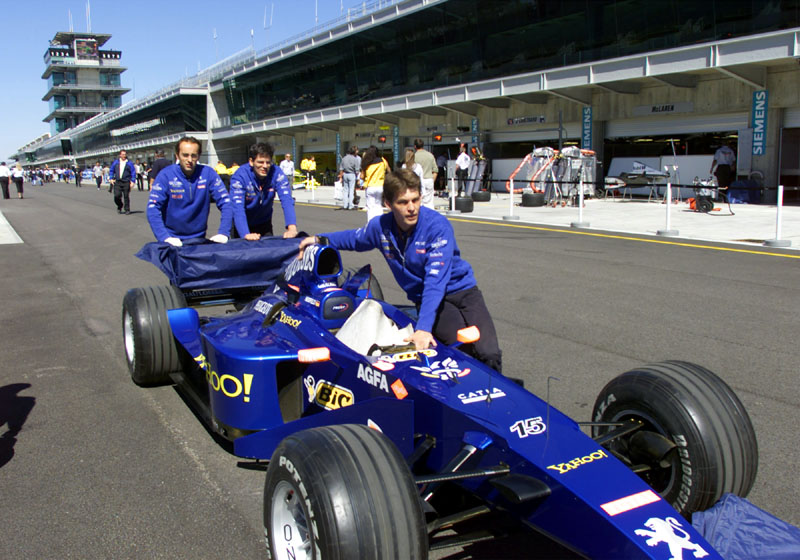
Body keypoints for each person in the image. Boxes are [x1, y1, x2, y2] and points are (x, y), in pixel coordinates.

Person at [298, 168, 502, 371]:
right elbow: (355, 238)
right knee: (461, 351)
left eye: (415, 200)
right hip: (428, 299)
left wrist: (423, 329)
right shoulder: (380, 227)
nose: (411, 208)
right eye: (403, 202)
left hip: (463, 291)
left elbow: (435, 282)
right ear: (388, 204)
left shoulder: (437, 226)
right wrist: (318, 239)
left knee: (489, 352)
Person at [147, 136, 234, 247]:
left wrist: (224, 233)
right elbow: (153, 208)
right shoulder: (165, 175)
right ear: (177, 155)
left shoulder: (208, 173)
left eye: (193, 155)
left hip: (199, 239)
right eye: (185, 155)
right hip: (172, 240)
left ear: (198, 156)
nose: (189, 160)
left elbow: (226, 203)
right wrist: (164, 237)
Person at [229, 142, 298, 239]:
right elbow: (237, 208)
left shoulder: (277, 173)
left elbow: (287, 200)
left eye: (268, 162)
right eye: (260, 162)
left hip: (264, 223)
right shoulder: (240, 176)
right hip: (242, 224)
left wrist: (292, 228)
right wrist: (245, 234)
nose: (265, 166)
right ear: (251, 162)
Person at [360, 145, 389, 222]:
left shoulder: (366, 162)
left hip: (370, 186)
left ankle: (371, 223)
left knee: (370, 207)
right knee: (378, 205)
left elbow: (362, 176)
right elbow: (388, 170)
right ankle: (380, 223)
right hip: (380, 186)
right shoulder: (382, 161)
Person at [109, 150, 135, 214]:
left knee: (126, 196)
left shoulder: (129, 163)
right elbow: (111, 170)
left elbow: (133, 172)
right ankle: (119, 205)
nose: (124, 156)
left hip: (126, 181)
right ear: (120, 155)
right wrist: (111, 178)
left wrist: (133, 181)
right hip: (118, 181)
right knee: (117, 195)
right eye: (122, 154)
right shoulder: (116, 162)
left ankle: (127, 209)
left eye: (125, 154)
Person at [413, 138, 437, 209]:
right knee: (429, 203)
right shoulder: (430, 155)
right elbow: (435, 170)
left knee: (419, 202)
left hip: (418, 181)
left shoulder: (414, 157)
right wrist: (432, 180)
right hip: (429, 179)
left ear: (415, 146)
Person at [337, 146, 360, 211]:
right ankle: (351, 205)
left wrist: (341, 176)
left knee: (345, 190)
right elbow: (357, 170)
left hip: (345, 174)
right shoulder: (355, 159)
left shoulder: (344, 158)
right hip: (352, 174)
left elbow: (341, 168)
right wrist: (357, 176)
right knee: (351, 190)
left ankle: (345, 205)